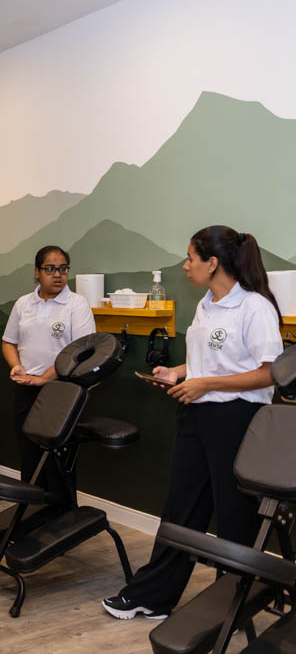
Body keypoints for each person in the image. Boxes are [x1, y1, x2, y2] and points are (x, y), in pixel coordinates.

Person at [103, 226, 283, 620]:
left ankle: (233, 608)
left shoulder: (255, 307)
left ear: (212, 262)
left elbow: (269, 372)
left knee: (235, 516)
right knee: (180, 509)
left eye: (190, 258)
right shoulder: (207, 303)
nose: (185, 266)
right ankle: (154, 596)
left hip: (238, 419)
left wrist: (207, 383)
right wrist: (180, 372)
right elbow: (213, 361)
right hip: (196, 414)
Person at [1, 245, 96, 498]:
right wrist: (16, 366)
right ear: (37, 272)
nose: (58, 275)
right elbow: (9, 342)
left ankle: (61, 512)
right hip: (25, 388)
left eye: (63, 269)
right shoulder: (23, 304)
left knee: (57, 459)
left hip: (61, 392)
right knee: (29, 453)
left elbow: (79, 353)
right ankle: (31, 509)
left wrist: (44, 378)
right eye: (50, 269)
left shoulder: (77, 304)